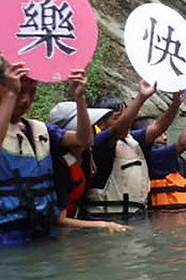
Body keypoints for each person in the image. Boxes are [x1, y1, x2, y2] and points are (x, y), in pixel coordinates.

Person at [0, 61, 93, 246]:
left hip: (45, 230)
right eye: (19, 92)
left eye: (31, 92)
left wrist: (80, 97)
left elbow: (83, 140)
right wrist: (10, 94)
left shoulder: (41, 129)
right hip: (5, 236)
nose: (25, 99)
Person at [81, 81, 178, 220]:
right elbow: (118, 129)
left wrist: (175, 104)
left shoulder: (132, 139)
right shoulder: (99, 142)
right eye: (117, 117)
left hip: (135, 216)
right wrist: (141, 97)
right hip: (105, 217)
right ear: (100, 123)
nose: (126, 119)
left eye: (126, 115)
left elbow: (158, 127)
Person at [47, 100, 127, 233]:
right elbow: (59, 219)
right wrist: (105, 225)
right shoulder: (59, 165)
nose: (95, 131)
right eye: (91, 126)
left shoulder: (87, 155)